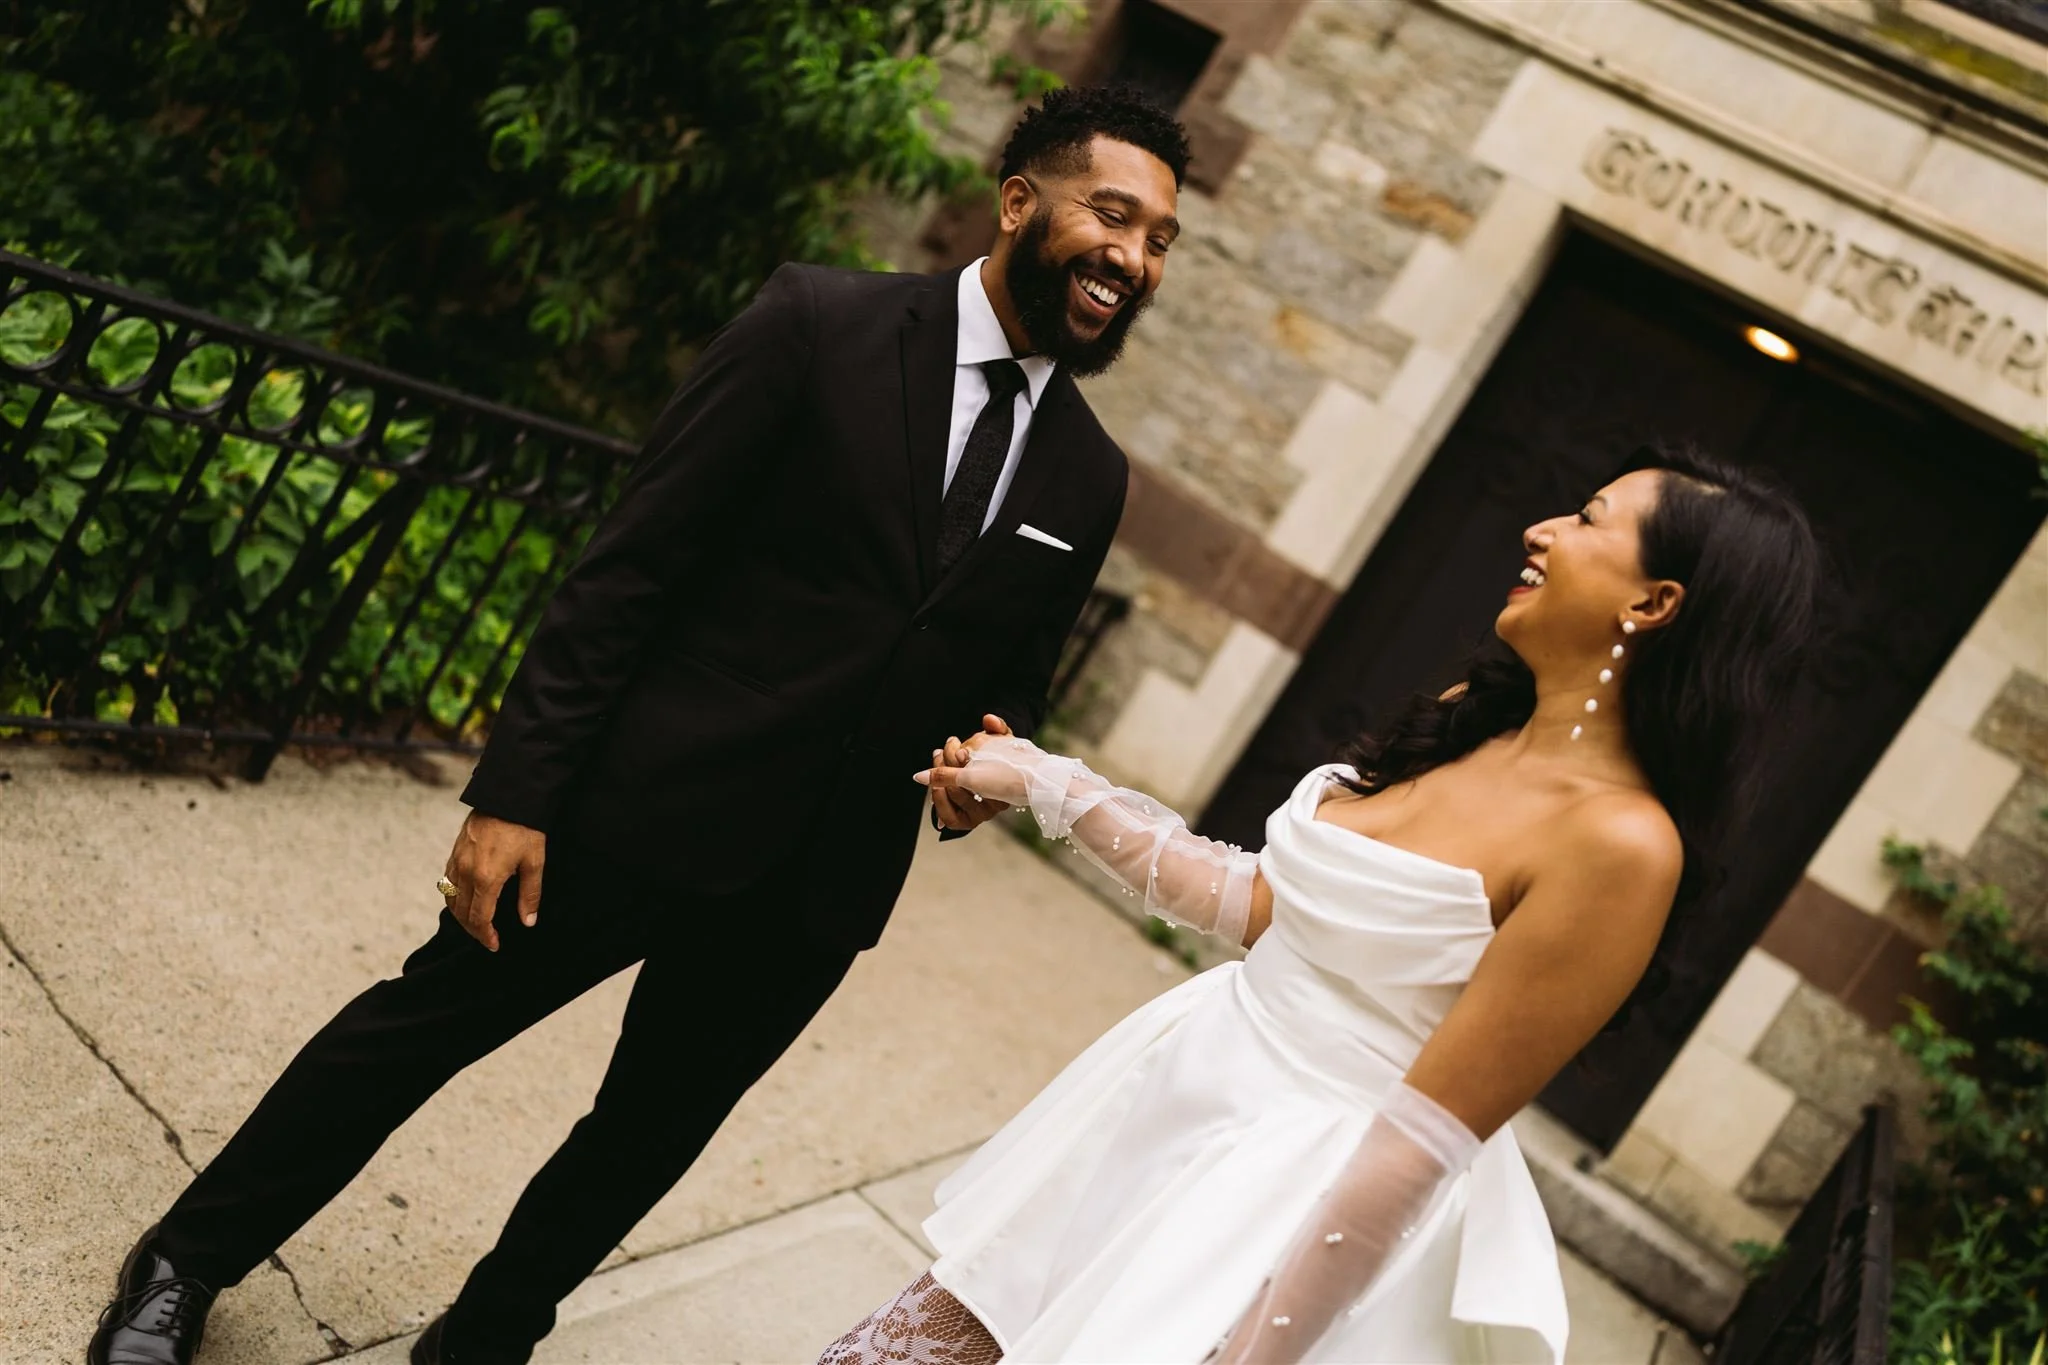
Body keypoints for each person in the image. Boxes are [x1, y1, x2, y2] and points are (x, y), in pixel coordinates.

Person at [87, 85, 1191, 1365]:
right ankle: (184, 1262)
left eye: (1160, 239)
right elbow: (631, 569)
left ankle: (485, 1339)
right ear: (1019, 202)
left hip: (816, 889)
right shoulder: (817, 322)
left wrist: (986, 771)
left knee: (644, 1137)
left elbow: (1014, 690)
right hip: (633, 807)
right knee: (412, 1037)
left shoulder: (1088, 474)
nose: (1133, 256)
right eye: (1112, 215)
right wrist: (515, 792)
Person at [819, 447, 1821, 1363]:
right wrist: (1045, 783)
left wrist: (1255, 1354)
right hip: (1164, 1102)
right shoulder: (1463, 726)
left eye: (1589, 519)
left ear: (1650, 605)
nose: (1541, 528)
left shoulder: (1621, 848)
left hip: (1280, 1204)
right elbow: (1259, 905)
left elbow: (1421, 1141)